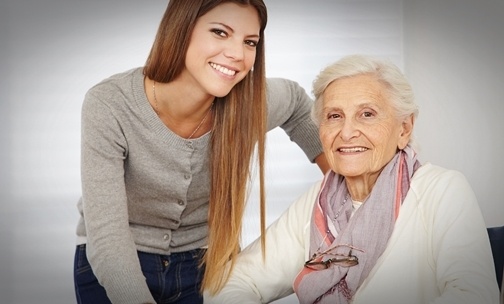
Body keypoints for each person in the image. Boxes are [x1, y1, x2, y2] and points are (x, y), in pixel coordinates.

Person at [73, 1, 329, 303]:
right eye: (220, 32)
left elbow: (298, 106)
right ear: (181, 30)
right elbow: (109, 241)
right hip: (116, 266)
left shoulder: (251, 104)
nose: (237, 54)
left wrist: (341, 181)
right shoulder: (111, 105)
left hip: (208, 264)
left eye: (250, 42)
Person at [204, 54, 501, 304]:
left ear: (404, 129)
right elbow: (231, 283)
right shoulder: (318, 201)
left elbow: (475, 295)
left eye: (367, 114)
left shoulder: (443, 190)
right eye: (334, 116)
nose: (346, 132)